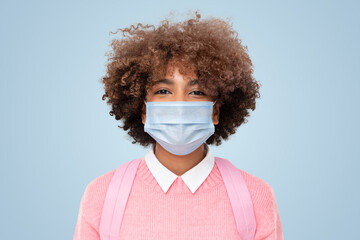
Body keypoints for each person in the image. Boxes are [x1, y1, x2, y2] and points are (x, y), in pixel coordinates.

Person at [73, 10, 283, 240]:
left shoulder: (255, 197)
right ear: (143, 111)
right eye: (163, 91)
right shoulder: (102, 196)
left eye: (196, 92)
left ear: (216, 111)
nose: (180, 104)